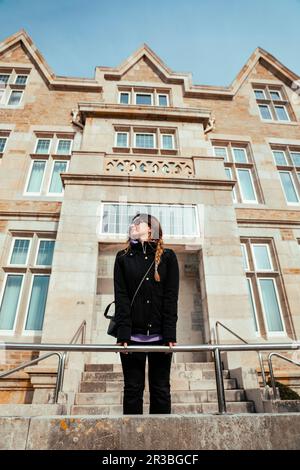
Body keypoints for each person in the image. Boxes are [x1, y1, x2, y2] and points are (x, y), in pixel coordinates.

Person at [113, 213, 179, 414]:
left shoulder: (168, 257)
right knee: (132, 390)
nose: (133, 225)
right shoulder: (122, 257)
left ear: (151, 229)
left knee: (161, 390)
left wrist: (170, 334)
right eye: (132, 223)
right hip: (132, 337)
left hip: (160, 337)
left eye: (138, 222)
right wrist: (123, 334)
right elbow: (121, 297)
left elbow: (171, 297)